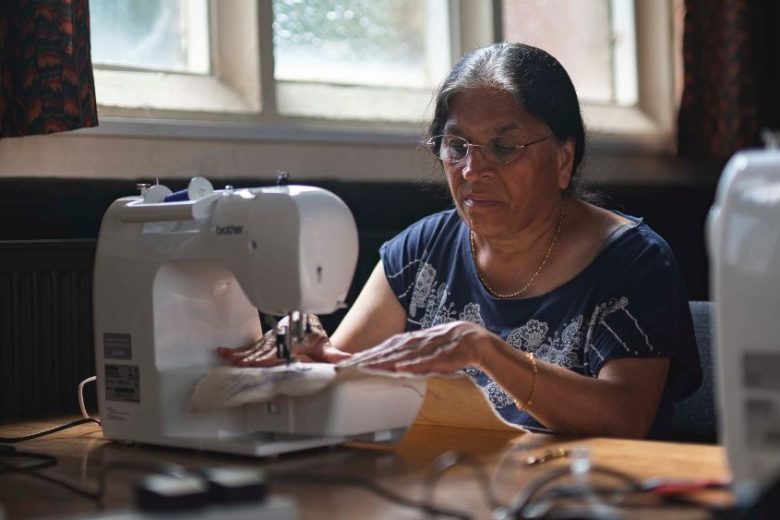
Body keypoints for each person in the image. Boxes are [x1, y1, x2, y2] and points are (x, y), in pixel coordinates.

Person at [218, 42, 702, 440]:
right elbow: (347, 373)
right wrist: (310, 350)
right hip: (452, 485)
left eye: (504, 147)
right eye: (456, 147)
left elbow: (624, 418)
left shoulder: (633, 261)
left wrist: (486, 351)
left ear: (562, 158)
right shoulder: (421, 250)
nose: (473, 170)